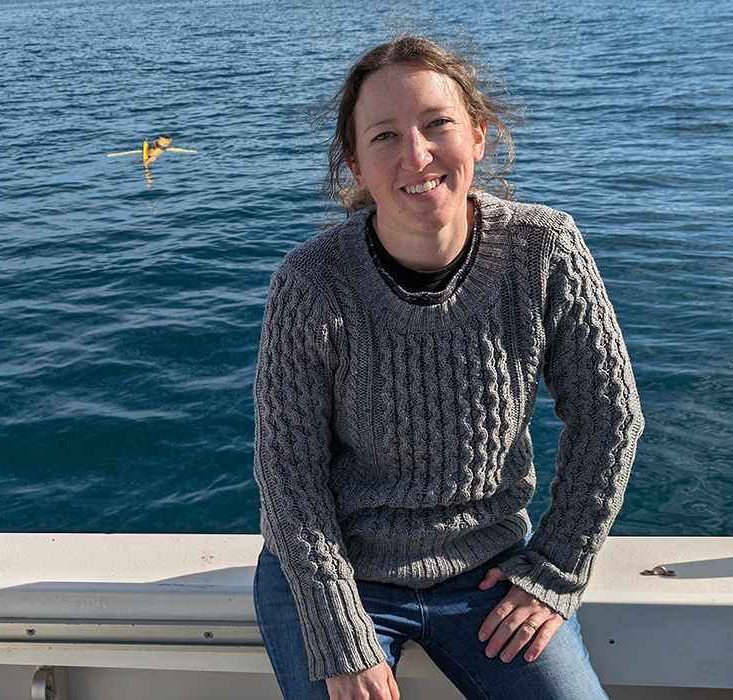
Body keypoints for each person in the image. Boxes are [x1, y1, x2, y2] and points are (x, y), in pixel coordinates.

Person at [252, 35, 643, 700]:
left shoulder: (545, 249)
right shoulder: (311, 281)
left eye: (438, 125)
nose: (417, 155)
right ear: (356, 166)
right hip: (338, 571)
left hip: (488, 572)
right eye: (384, 137)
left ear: (480, 137)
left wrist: (556, 568)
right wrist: (340, 624)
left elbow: (611, 417)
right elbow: (288, 473)